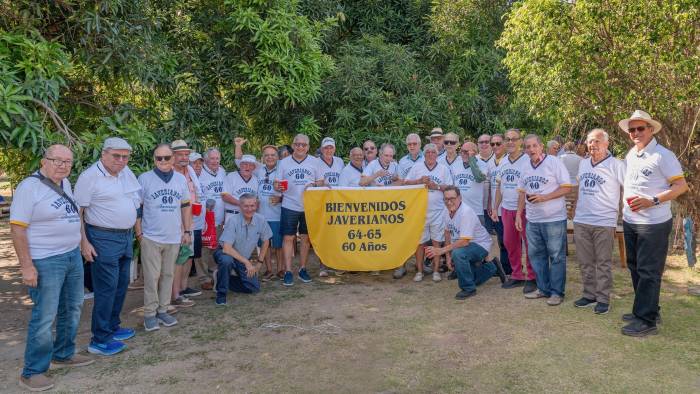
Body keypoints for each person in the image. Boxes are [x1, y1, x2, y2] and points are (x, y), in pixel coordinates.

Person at [11, 145, 94, 391]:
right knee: (45, 315)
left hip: (71, 256)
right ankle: (33, 371)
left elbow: (74, 215)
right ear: (43, 161)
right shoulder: (30, 187)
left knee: (73, 306)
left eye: (67, 161)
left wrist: (83, 242)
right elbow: (17, 229)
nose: (62, 165)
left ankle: (64, 354)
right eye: (56, 160)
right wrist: (27, 266)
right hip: (45, 260)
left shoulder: (65, 184)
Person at [619, 110, 688, 336]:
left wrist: (654, 200)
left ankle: (646, 321)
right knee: (636, 267)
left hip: (654, 223)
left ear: (651, 129)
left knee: (649, 271)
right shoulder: (631, 154)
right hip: (631, 220)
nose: (636, 133)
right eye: (632, 130)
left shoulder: (662, 155)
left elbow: (681, 187)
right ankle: (647, 309)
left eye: (640, 128)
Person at [75, 137, 141, 356]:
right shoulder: (90, 176)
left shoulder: (126, 172)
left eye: (125, 156)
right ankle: (100, 340)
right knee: (106, 288)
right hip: (102, 238)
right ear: (104, 154)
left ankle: (113, 326)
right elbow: (79, 213)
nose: (121, 161)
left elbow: (134, 200)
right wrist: (84, 242)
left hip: (125, 237)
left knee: (121, 285)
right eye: (116, 156)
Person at [136, 144, 192, 331]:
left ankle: (163, 309)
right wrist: (139, 233)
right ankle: (150, 314)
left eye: (166, 158)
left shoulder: (180, 179)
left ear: (173, 159)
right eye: (158, 158)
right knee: (152, 277)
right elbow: (138, 208)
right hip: (151, 236)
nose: (162, 161)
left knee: (168, 275)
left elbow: (185, 206)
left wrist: (187, 231)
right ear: (154, 159)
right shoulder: (144, 179)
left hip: (173, 236)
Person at [572, 129, 626, 315]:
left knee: (603, 262)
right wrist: (575, 211)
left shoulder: (616, 164)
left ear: (606, 144)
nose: (592, 145)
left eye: (596, 141)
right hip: (582, 220)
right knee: (585, 261)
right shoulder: (583, 163)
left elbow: (627, 189)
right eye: (589, 141)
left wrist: (623, 213)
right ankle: (589, 295)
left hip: (604, 221)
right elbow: (581, 188)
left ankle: (603, 298)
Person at [516, 134, 572, 306]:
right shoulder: (524, 165)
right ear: (524, 149)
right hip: (532, 219)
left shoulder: (554, 162)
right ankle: (543, 288)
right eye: (528, 147)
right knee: (536, 256)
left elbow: (566, 187)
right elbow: (522, 191)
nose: (531, 149)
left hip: (553, 218)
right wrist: (519, 214)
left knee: (556, 256)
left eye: (534, 146)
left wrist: (544, 197)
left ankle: (556, 292)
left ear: (541, 146)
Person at [425, 186, 505, 299]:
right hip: (465, 245)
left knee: (458, 254)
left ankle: (468, 289)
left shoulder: (465, 212)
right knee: (470, 275)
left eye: (452, 198)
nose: (449, 202)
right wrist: (447, 257)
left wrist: (441, 250)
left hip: (480, 244)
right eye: (446, 199)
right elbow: (447, 232)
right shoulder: (446, 210)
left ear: (460, 198)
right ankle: (492, 267)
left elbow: (464, 241)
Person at [276, 133, 323, 286]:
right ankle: (288, 271)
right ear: (293, 145)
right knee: (288, 238)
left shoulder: (315, 162)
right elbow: (277, 183)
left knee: (305, 238)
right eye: (297, 144)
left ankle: (303, 268)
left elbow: (321, 182)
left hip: (308, 206)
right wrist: (277, 186)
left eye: (304, 145)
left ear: (308, 147)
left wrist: (314, 185)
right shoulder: (283, 163)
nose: (300, 147)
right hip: (289, 204)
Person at [492, 128, 536, 292]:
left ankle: (532, 276)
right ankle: (517, 274)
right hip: (506, 209)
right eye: (507, 139)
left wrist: (520, 211)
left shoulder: (527, 160)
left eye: (514, 139)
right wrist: (495, 207)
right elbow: (498, 187)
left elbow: (526, 188)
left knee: (529, 243)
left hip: (525, 209)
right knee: (510, 243)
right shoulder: (502, 161)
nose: (510, 142)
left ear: (520, 141)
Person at [404, 144, 453, 282]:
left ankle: (435, 271)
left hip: (438, 211)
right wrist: (419, 181)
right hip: (419, 211)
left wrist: (436, 186)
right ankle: (419, 271)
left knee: (437, 242)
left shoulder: (443, 169)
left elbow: (450, 188)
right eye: (428, 152)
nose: (431, 154)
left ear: (437, 154)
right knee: (420, 243)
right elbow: (406, 183)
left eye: (433, 152)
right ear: (423, 154)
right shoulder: (417, 167)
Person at [213, 193, 272, 305]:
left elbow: (266, 240)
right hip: (225, 253)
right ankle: (221, 295)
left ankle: (222, 278)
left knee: (253, 287)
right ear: (240, 206)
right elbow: (226, 248)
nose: (249, 209)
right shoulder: (233, 220)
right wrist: (247, 263)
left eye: (252, 206)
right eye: (246, 206)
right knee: (226, 261)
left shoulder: (261, 219)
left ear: (256, 206)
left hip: (241, 258)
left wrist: (259, 263)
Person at [170, 141, 203, 308]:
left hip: (191, 220)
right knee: (177, 259)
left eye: (186, 154)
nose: (184, 157)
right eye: (180, 154)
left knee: (187, 257)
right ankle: (174, 294)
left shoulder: (189, 171)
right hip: (176, 223)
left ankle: (182, 288)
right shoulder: (170, 174)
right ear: (173, 156)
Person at [196, 148, 227, 290]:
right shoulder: (199, 172)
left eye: (217, 158)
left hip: (220, 218)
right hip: (205, 218)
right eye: (212, 159)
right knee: (203, 249)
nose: (215, 161)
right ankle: (203, 278)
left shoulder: (222, 171)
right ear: (206, 160)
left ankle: (214, 273)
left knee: (216, 247)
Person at [255, 145, 284, 280]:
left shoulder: (282, 170)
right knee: (264, 244)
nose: (270, 157)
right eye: (267, 155)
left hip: (277, 214)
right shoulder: (258, 169)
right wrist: (238, 146)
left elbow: (291, 190)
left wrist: (281, 198)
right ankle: (268, 270)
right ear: (263, 158)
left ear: (277, 157)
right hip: (261, 214)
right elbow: (239, 161)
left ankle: (280, 269)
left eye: (273, 155)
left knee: (278, 245)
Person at [485, 134, 511, 277]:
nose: (495, 146)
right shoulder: (490, 163)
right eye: (492, 144)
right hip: (496, 208)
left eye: (498, 143)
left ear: (504, 144)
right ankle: (505, 267)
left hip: (508, 207)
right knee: (501, 240)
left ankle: (511, 268)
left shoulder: (508, 161)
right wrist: (490, 204)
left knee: (509, 240)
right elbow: (490, 186)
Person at [451, 142, 487, 225]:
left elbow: (479, 178)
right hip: (458, 210)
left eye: (466, 152)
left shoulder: (483, 165)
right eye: (462, 151)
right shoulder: (455, 166)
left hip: (476, 211)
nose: (463, 154)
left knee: (477, 237)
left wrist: (471, 160)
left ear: (475, 152)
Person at [222, 154, 259, 219]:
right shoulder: (231, 176)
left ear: (254, 168)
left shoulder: (256, 179)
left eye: (250, 165)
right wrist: (242, 204)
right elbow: (225, 196)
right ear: (240, 165)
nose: (247, 167)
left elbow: (257, 199)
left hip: (250, 216)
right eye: (245, 164)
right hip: (233, 214)